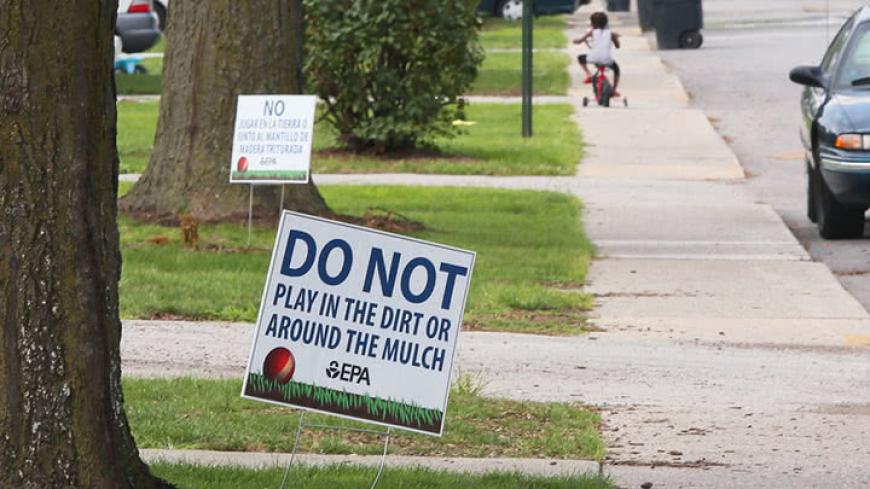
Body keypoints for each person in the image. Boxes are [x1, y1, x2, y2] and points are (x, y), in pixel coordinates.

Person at [574, 12, 622, 96]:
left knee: (580, 58)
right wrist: (616, 38)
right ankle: (614, 90)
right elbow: (618, 46)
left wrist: (575, 41)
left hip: (592, 58)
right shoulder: (611, 33)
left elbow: (579, 41)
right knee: (616, 70)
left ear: (592, 24)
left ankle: (588, 74)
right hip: (607, 60)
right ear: (606, 23)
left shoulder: (591, 32)